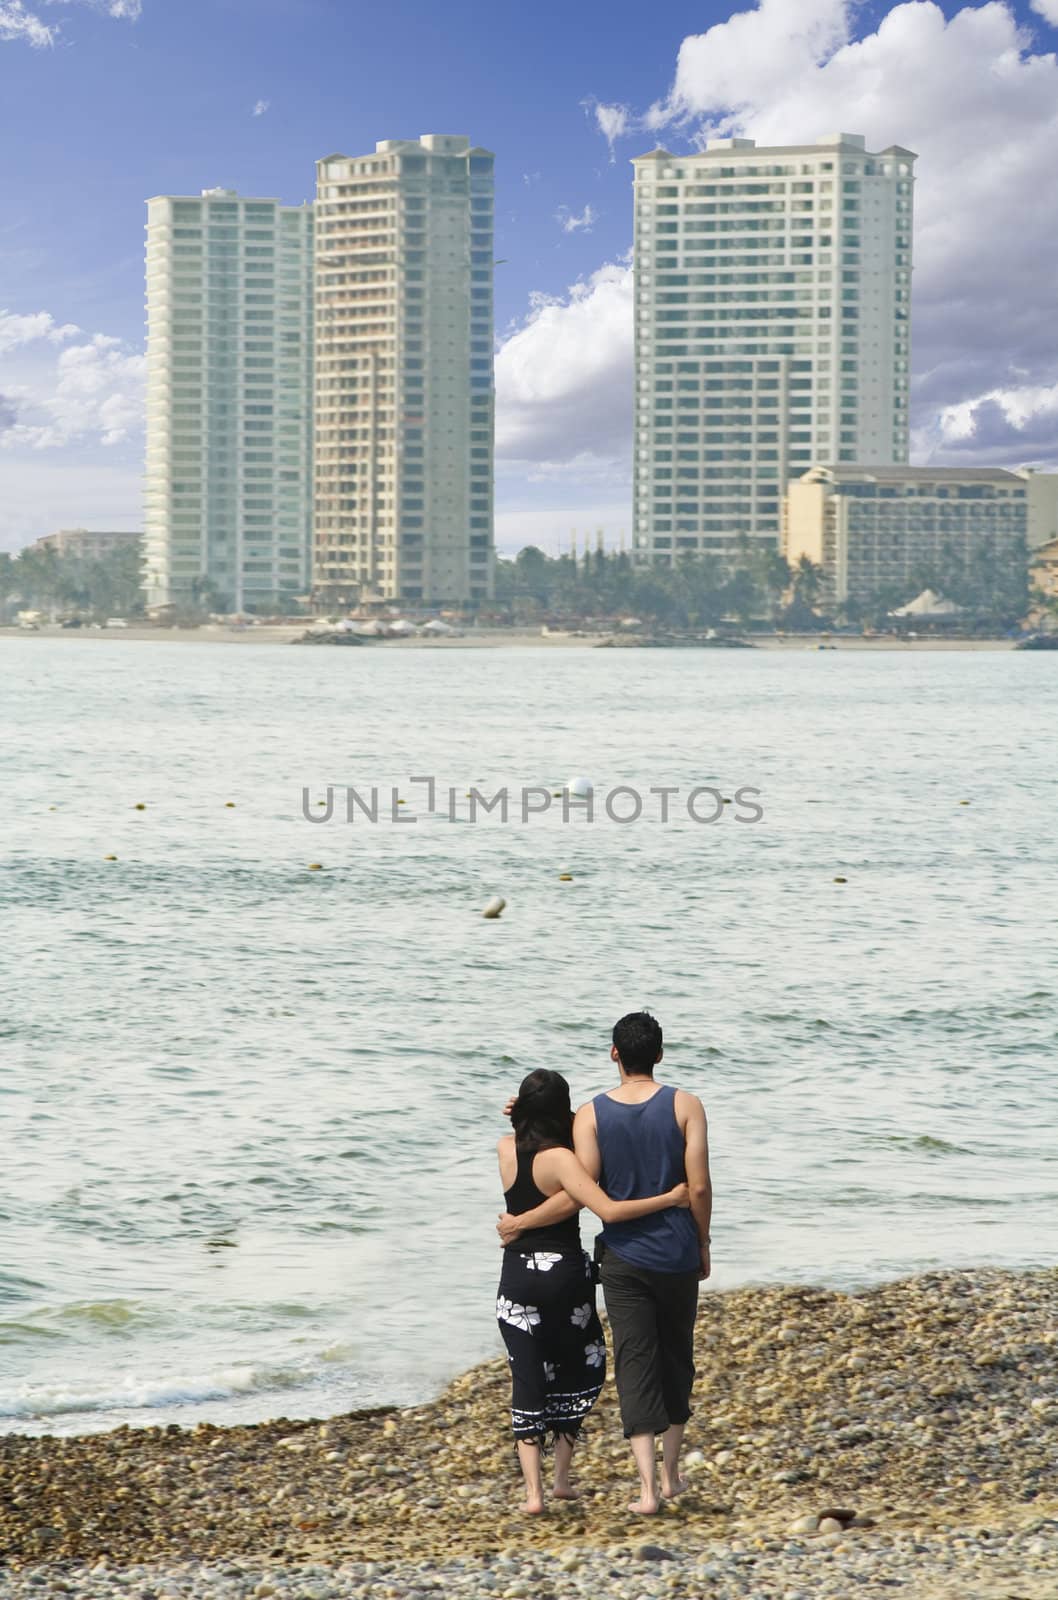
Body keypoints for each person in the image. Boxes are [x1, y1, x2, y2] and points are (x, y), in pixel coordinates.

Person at [498, 1014, 711, 1515]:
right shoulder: (687, 1105)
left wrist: (520, 1116)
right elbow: (698, 1186)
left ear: (613, 1054)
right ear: (660, 1054)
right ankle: (672, 1475)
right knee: (677, 1356)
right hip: (676, 1251)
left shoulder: (588, 1117)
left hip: (621, 1257)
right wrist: (702, 1241)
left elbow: (571, 1182)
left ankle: (645, 1492)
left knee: (633, 1360)